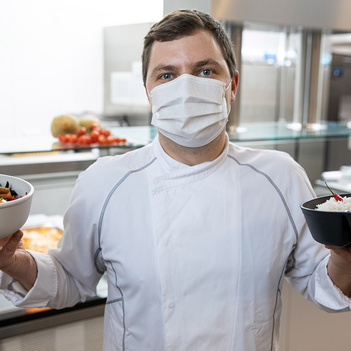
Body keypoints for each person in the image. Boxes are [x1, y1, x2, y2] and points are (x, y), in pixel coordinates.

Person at [1, 9, 351, 351]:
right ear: (149, 94)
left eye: (205, 70)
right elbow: (70, 280)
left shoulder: (281, 176)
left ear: (232, 86)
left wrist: (345, 254)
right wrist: (11, 262)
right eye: (167, 75)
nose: (186, 88)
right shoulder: (104, 182)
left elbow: (323, 285)